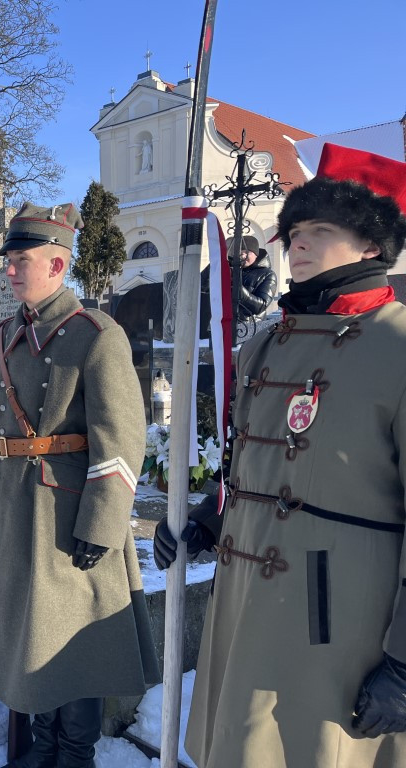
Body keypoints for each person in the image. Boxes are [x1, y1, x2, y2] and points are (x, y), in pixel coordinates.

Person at [154, 143, 406, 766]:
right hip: (247, 602)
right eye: (294, 231)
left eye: (322, 230)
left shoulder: (397, 345)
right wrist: (214, 515)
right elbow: (253, 463)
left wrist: (404, 663)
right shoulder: (268, 340)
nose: (297, 243)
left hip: (340, 617)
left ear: (372, 244)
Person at [0, 203, 160, 768]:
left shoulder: (95, 336)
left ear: (57, 264)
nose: (10, 270)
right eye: (9, 261)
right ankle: (43, 748)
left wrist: (102, 525)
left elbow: (123, 441)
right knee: (32, 634)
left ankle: (74, 755)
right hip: (15, 506)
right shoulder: (5, 334)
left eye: (21, 261)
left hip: (69, 513)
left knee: (74, 641)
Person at [225, 234, 277, 321]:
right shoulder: (230, 269)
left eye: (247, 252)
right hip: (224, 324)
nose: (243, 256)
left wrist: (239, 291)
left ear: (255, 254)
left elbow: (261, 306)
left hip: (250, 326)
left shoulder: (267, 274)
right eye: (240, 252)